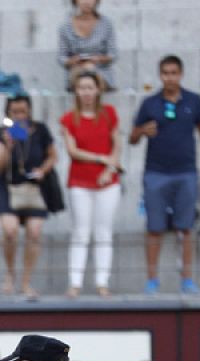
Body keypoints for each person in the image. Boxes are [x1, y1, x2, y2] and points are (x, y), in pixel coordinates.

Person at [131, 55, 200, 295]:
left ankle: (187, 279)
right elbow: (132, 138)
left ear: (181, 74)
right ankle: (152, 280)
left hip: (186, 171)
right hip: (156, 173)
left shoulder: (194, 101)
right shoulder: (150, 104)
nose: (170, 77)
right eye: (165, 73)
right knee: (154, 227)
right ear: (160, 75)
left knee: (185, 227)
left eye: (173, 72)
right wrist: (142, 131)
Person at [61, 71, 121, 298]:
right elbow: (72, 150)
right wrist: (100, 158)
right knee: (80, 231)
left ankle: (102, 281)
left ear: (98, 90)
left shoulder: (109, 114)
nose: (86, 92)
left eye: (90, 87)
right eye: (82, 88)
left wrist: (110, 168)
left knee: (103, 231)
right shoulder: (69, 118)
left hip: (107, 181)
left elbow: (117, 144)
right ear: (76, 91)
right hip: (80, 180)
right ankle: (75, 282)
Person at [0, 95, 58, 298]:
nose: (20, 116)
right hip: (9, 186)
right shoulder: (1, 133)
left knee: (34, 232)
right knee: (10, 231)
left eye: (23, 111)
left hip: (33, 186)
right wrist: (8, 146)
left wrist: (43, 170)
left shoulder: (40, 130)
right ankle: (10, 273)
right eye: (15, 112)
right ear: (8, 113)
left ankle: (26, 281)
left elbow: (52, 156)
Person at [58, 0, 117, 90]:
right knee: (80, 75)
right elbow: (61, 57)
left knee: (90, 71)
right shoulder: (65, 26)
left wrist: (97, 59)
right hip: (76, 71)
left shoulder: (106, 24)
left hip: (101, 71)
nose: (86, 2)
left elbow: (113, 54)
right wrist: (73, 61)